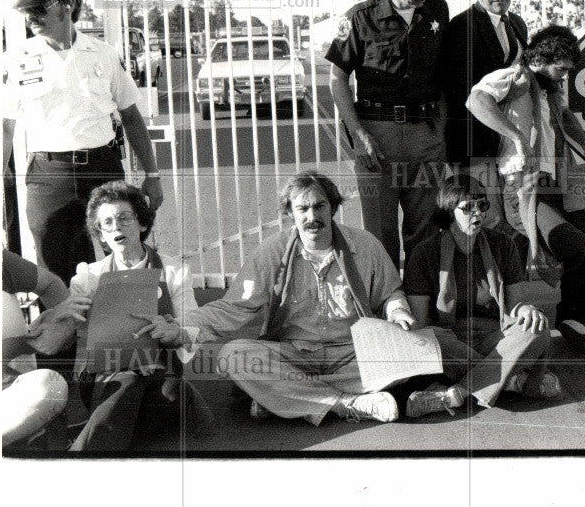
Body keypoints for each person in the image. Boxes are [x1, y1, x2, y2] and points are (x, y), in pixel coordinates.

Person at [140, 171, 429, 425]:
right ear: (290, 213)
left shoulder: (365, 246)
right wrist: (181, 327)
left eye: (319, 206)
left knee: (408, 357)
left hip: (351, 355)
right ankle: (346, 404)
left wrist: (397, 310)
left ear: (333, 209)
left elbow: (390, 293)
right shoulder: (272, 252)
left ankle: (285, 401)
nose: (312, 217)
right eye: (302, 209)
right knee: (234, 356)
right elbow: (234, 307)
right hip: (294, 356)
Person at [468, 25, 585, 358]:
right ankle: (570, 321)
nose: (566, 75)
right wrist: (515, 136)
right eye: (562, 68)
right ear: (542, 57)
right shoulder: (512, 76)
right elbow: (476, 101)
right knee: (581, 250)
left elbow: (565, 118)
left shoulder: (550, 89)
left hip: (556, 189)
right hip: (523, 190)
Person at [3, 0, 164, 284]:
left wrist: (153, 174)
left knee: (123, 259)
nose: (30, 18)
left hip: (101, 170)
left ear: (66, 5)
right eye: (26, 10)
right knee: (55, 269)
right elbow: (5, 129)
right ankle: (68, 333)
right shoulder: (16, 59)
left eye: (38, 7)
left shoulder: (102, 54)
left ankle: (122, 330)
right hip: (49, 176)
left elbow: (131, 117)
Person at [326, 0, 452, 269]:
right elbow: (337, 79)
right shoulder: (360, 18)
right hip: (377, 138)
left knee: (426, 228)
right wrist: (359, 135)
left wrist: (438, 128)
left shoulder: (437, 12)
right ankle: (387, 309)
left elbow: (442, 72)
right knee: (379, 234)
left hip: (425, 137)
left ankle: (421, 304)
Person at [51, 182, 199, 452]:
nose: (116, 227)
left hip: (159, 373)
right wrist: (67, 316)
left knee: (165, 391)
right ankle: (86, 452)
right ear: (101, 235)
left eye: (124, 218)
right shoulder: (87, 277)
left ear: (142, 224)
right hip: (105, 376)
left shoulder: (175, 272)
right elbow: (73, 345)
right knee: (134, 384)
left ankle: (105, 436)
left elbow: (192, 333)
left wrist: (175, 331)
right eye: (106, 223)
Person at [402, 175, 559, 415]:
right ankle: (510, 380)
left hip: (495, 338)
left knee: (537, 328)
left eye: (482, 206)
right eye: (467, 208)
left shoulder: (503, 245)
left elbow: (514, 307)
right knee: (428, 338)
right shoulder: (425, 254)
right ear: (448, 212)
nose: (477, 213)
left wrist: (525, 310)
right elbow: (421, 325)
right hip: (451, 342)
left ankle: (457, 394)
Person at [441, 0, 528, 230]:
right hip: (475, 148)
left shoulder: (517, 24)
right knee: (484, 221)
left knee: (514, 220)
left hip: (507, 148)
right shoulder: (461, 28)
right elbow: (460, 95)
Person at [1, 251, 80, 450]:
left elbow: (50, 284)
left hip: (11, 396)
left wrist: (63, 324)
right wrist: (28, 343)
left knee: (50, 386)